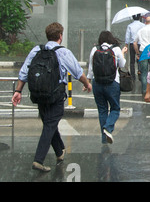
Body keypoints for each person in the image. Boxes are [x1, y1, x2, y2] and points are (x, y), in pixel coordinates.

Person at [11, 22, 92, 172]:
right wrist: (87, 84)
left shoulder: (36, 50)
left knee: (49, 122)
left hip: (38, 94)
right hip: (54, 94)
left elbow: (24, 72)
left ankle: (60, 151)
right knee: (50, 124)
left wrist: (18, 91)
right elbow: (77, 71)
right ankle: (38, 159)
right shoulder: (63, 52)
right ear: (60, 36)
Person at [87, 31, 127, 144]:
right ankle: (108, 128)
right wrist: (123, 53)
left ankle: (104, 139)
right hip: (112, 83)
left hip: (97, 83)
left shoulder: (95, 49)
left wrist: (88, 82)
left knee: (102, 110)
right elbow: (122, 65)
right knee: (115, 108)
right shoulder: (116, 49)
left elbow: (91, 67)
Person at [125, 14, 144, 81]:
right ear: (139, 17)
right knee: (140, 59)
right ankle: (140, 73)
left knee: (132, 61)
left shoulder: (130, 26)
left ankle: (133, 77)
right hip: (140, 44)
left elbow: (127, 37)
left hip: (132, 44)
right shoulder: (143, 25)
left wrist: (126, 46)